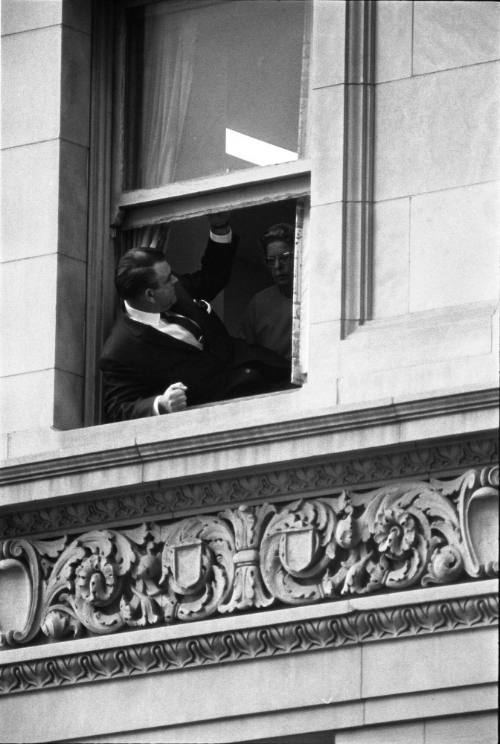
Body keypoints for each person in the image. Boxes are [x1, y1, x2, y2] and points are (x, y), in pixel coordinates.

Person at [99, 214, 290, 422]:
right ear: (149, 295)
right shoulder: (120, 350)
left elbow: (212, 277)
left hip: (264, 368)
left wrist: (219, 228)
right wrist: (160, 404)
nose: (175, 280)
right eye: (167, 280)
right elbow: (118, 408)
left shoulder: (173, 286)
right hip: (230, 413)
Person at [240, 223, 294, 360]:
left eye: (284, 258)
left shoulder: (316, 295)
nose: (277, 266)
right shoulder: (259, 304)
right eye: (271, 260)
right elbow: (245, 352)